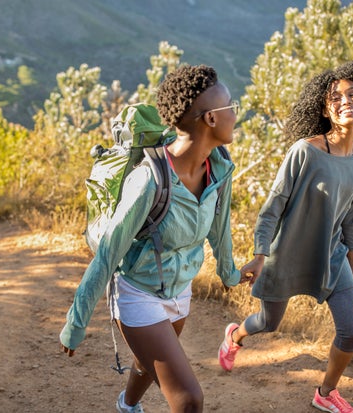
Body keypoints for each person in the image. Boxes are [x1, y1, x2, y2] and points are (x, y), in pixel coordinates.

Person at [60, 64, 250, 412]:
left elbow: (219, 228)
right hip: (138, 290)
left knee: (150, 363)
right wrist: (76, 323)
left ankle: (127, 405)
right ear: (210, 119)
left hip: (180, 289)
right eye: (230, 109)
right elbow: (107, 255)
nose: (235, 116)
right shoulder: (150, 179)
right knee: (189, 399)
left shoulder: (219, 165)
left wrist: (230, 273)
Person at [217, 61, 353, 413]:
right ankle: (235, 335)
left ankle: (325, 393)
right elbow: (272, 208)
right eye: (336, 97)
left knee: (351, 331)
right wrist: (260, 253)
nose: (345, 100)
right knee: (268, 323)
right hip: (287, 255)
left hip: (333, 256)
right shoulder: (305, 151)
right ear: (326, 110)